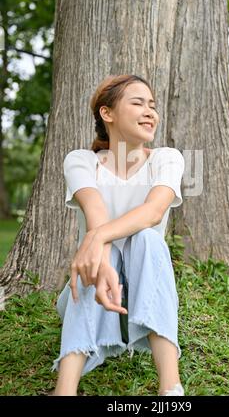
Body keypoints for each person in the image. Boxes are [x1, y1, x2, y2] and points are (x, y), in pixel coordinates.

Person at [52, 74, 185, 396]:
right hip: (93, 293)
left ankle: (171, 388)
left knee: (147, 237)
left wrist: (94, 240)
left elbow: (153, 213)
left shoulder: (167, 158)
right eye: (137, 103)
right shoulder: (82, 160)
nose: (150, 111)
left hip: (149, 296)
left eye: (152, 105)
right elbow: (96, 214)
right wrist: (99, 245)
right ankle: (64, 390)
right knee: (104, 250)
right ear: (107, 113)